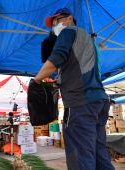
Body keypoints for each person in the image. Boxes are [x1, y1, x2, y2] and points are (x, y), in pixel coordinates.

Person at [34, 8, 115, 170]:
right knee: (99, 149)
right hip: (99, 101)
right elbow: (83, 69)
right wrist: (60, 80)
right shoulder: (89, 41)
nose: (55, 26)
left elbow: (56, 57)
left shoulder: (68, 31)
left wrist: (37, 79)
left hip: (81, 103)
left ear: (69, 18)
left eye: (57, 21)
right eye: (53, 24)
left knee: (80, 152)